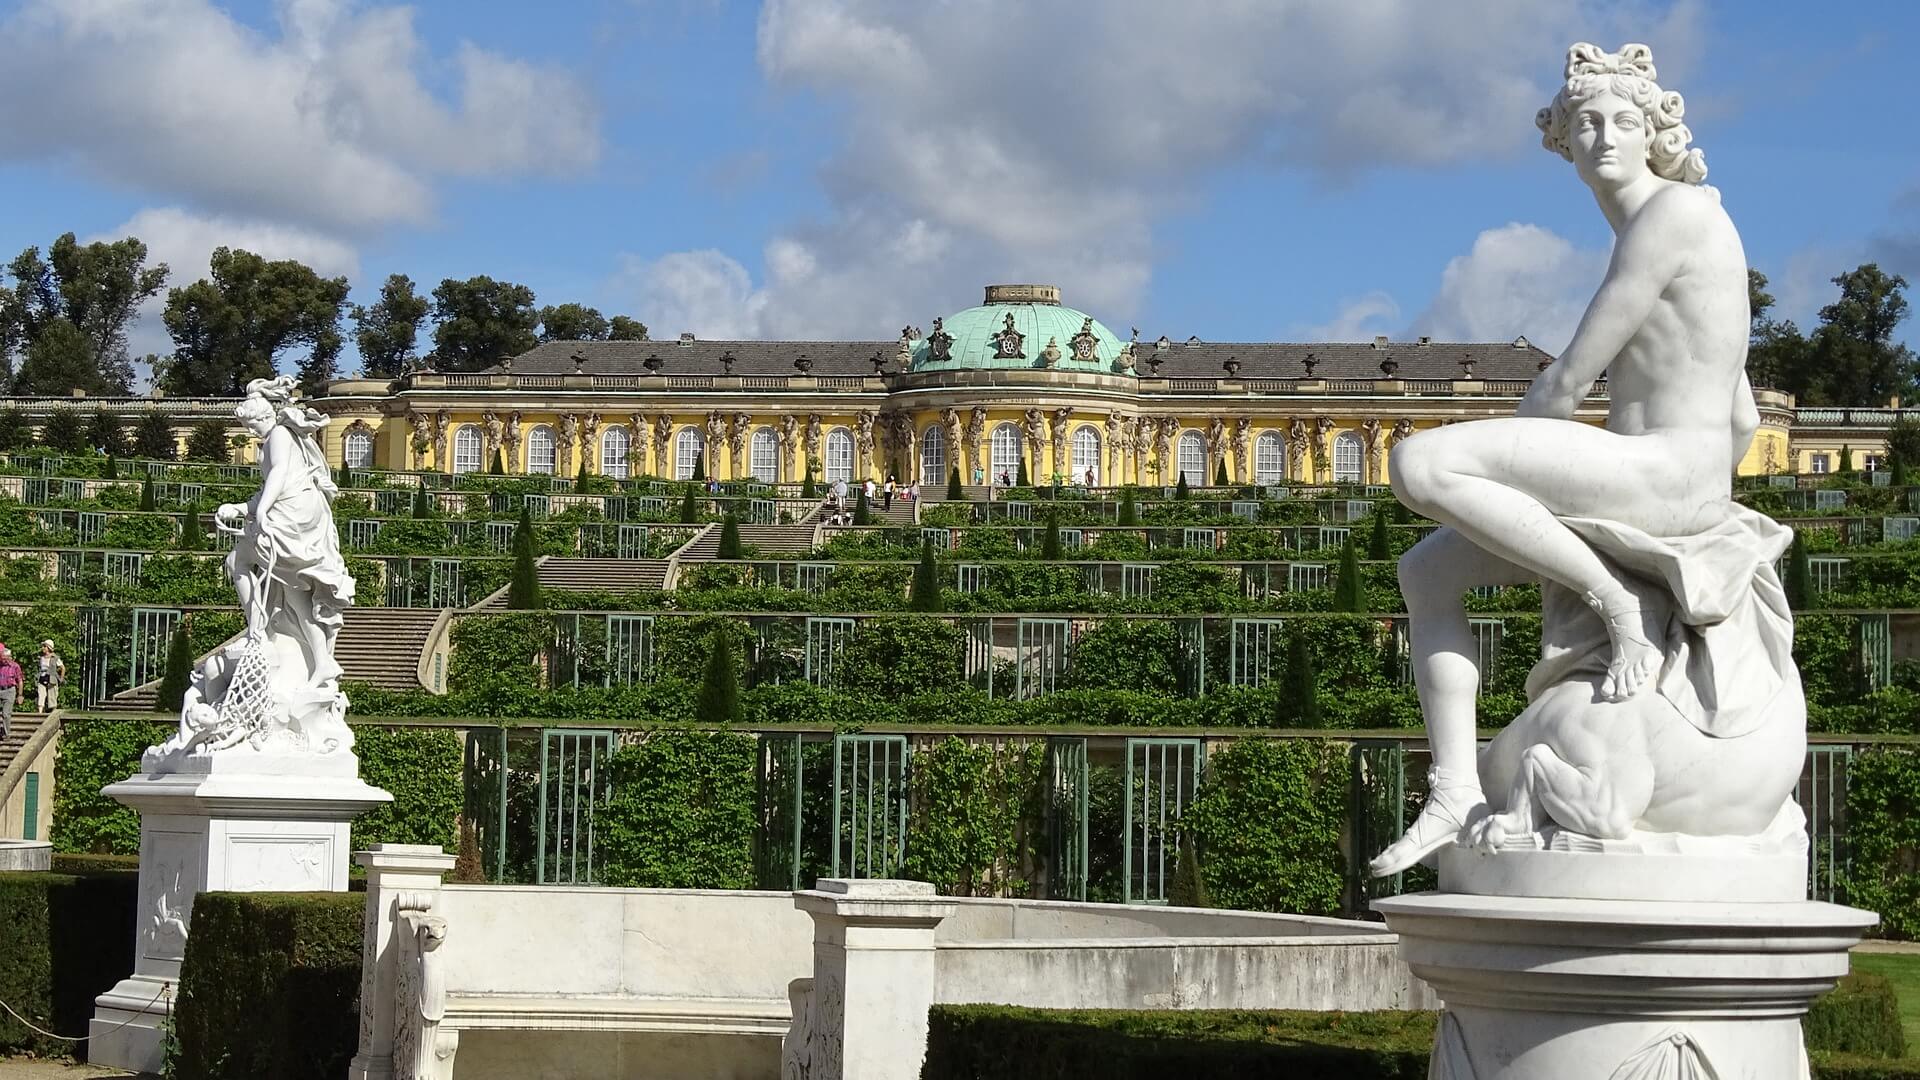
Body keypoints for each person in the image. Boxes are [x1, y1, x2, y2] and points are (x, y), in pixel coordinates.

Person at [1369, 42, 1757, 876]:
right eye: (1586, 123)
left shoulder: (1674, 217)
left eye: (1624, 121)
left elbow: (1569, 378)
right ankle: (1453, 792)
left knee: (1422, 467)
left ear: (1656, 131)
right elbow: (1745, 413)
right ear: (1562, 141)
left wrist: (1515, 476)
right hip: (1664, 475)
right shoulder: (1688, 225)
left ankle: (1615, 604)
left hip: (1658, 474)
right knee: (1426, 574)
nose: (1606, 138)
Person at [35, 639, 64, 713]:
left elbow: (62, 668)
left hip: (52, 678)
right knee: (41, 694)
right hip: (42, 677)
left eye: (44, 646)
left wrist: (61, 678)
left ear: (49, 647)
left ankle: (53, 712)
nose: (43, 648)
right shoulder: (41, 657)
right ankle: (40, 712)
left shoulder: (55, 657)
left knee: (52, 695)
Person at [0, 645, 17, 738]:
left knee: (6, 713)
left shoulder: (15, 666)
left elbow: (20, 680)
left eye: (5, 658)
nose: (3, 660)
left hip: (10, 690)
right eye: (2, 658)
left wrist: (20, 695)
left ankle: (7, 734)